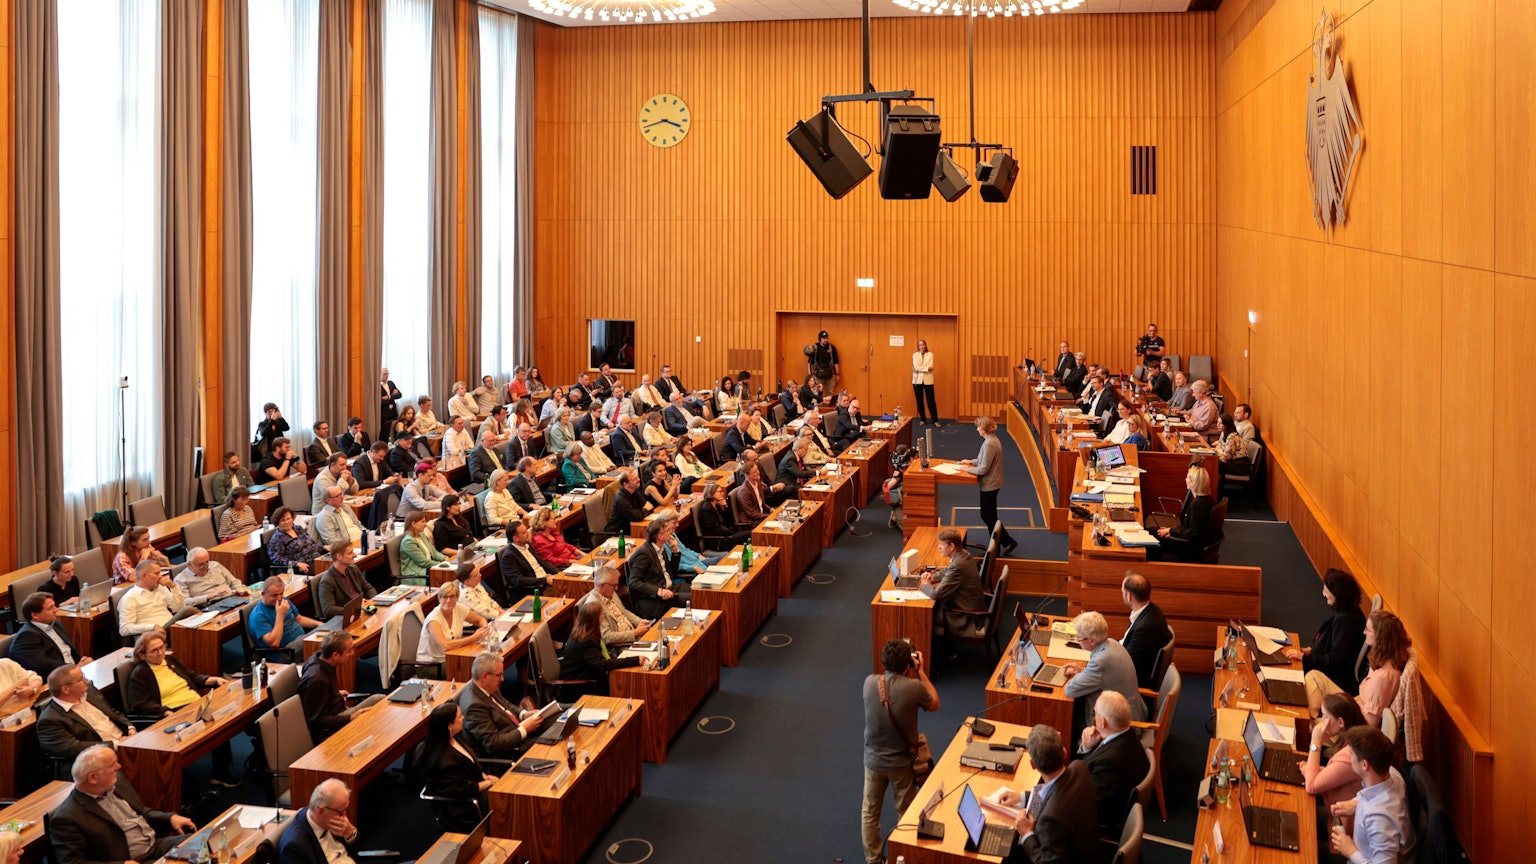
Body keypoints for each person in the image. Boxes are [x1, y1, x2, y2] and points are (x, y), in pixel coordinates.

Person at [861, 639, 939, 864]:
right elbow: (934, 703)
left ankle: (874, 860)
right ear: (907, 665)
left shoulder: (868, 683)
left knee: (869, 813)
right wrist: (921, 671)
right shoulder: (913, 687)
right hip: (901, 764)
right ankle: (903, 858)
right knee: (905, 813)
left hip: (873, 760)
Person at [48, 745, 195, 864]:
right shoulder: (67, 818)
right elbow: (73, 862)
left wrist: (169, 818)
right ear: (93, 777)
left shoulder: (116, 783)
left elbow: (141, 811)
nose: (119, 766)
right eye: (112, 765)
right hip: (130, 860)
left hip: (155, 847)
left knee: (202, 844)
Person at [123, 632, 237, 785]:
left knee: (224, 716)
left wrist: (212, 679)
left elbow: (190, 676)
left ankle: (222, 766)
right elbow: (139, 703)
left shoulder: (169, 660)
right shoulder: (140, 674)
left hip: (195, 704)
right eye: (154, 650)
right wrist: (164, 711)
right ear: (142, 655)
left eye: (162, 647)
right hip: (174, 711)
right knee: (214, 723)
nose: (161, 653)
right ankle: (221, 773)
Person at [995, 726, 1099, 864]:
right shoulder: (1080, 768)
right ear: (1064, 752)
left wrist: (1026, 834)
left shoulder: (1050, 819)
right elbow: (1058, 789)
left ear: (1033, 765)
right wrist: (1022, 797)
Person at [1305, 610, 1410, 727]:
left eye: (1368, 630)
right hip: (1353, 709)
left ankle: (1312, 724)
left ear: (1380, 637)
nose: (1364, 632)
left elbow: (1370, 723)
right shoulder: (1381, 659)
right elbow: (1363, 697)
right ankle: (1313, 718)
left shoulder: (1383, 677)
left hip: (1354, 726)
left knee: (1315, 726)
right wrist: (1342, 705)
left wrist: (1339, 714)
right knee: (1314, 676)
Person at [1329, 728, 1416, 864]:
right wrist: (1357, 803)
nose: (1348, 758)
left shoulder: (1379, 821)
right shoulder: (1392, 773)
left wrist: (1350, 850)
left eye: (1350, 754)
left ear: (1364, 765)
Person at [1284, 568, 1368, 695]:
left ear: (1337, 594)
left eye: (1326, 591)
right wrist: (1310, 651)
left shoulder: (1346, 621)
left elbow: (1335, 660)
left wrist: (1305, 658)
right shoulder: (1348, 612)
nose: (1323, 594)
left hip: (1336, 679)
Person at [416, 703, 497, 831]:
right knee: (502, 801)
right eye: (459, 717)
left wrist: (484, 776)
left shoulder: (456, 737)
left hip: (474, 786)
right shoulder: (445, 760)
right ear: (449, 726)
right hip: (463, 806)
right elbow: (464, 789)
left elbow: (471, 763)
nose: (463, 718)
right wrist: (489, 782)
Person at [1077, 692, 1150, 833]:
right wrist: (1087, 747)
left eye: (1095, 713)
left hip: (1096, 825)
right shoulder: (1129, 737)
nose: (1093, 717)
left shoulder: (1110, 762)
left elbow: (1089, 804)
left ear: (1102, 722)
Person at [1061, 611, 1147, 723]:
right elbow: (1105, 675)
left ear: (1092, 641)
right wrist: (1082, 671)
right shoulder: (1112, 643)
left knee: (1068, 716)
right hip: (1132, 708)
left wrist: (1076, 677)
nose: (1078, 640)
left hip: (1120, 721)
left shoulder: (1100, 661)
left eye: (1079, 637)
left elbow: (1070, 690)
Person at [299, 632, 383, 743]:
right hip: (332, 725)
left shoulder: (317, 658)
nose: (353, 653)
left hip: (336, 707)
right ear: (335, 655)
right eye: (349, 651)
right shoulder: (317, 680)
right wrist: (350, 718)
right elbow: (317, 721)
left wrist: (334, 693)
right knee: (378, 699)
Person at [37, 665, 135, 760]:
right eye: (81, 679)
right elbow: (74, 748)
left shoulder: (89, 691)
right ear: (66, 689)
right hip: (99, 759)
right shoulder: (49, 720)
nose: (86, 680)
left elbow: (113, 713)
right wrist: (115, 745)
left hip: (127, 743)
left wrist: (129, 727)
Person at [458, 652, 543, 759]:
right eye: (499, 675)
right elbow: (493, 743)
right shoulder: (474, 706)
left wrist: (524, 714)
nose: (502, 679)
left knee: (557, 719)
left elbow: (506, 705)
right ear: (484, 676)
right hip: (510, 751)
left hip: (515, 731)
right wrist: (524, 729)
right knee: (551, 742)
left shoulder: (487, 686)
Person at [558, 602, 648, 698]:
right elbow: (603, 664)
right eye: (601, 614)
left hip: (588, 678)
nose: (603, 616)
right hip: (578, 688)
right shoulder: (587, 641)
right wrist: (635, 660)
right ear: (595, 619)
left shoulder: (581, 630)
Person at [960, 415, 1018, 555]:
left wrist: (966, 469)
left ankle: (998, 547)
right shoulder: (991, 440)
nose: (977, 430)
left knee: (989, 516)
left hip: (990, 484)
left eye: (978, 427)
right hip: (992, 483)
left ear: (984, 429)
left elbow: (983, 468)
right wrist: (970, 461)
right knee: (988, 515)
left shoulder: (989, 444)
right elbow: (982, 460)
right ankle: (1006, 542)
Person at [1301, 692, 1369, 810]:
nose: (1322, 721)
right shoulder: (1353, 739)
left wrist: (1315, 742)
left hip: (1338, 820)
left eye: (1326, 717)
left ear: (1341, 722)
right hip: (1332, 800)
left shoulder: (1350, 755)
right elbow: (1336, 772)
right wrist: (1312, 770)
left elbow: (1311, 786)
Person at [918, 528, 986, 638]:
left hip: (965, 615)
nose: (938, 547)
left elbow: (936, 594)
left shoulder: (958, 566)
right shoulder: (964, 554)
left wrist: (924, 584)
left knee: (925, 618)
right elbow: (948, 570)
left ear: (952, 546)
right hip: (971, 605)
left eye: (941, 544)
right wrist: (932, 577)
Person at [278, 779, 359, 864]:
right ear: (320, 811)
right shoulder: (295, 847)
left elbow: (356, 851)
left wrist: (350, 834)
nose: (344, 816)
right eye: (341, 812)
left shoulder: (329, 817)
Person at [9, 592, 87, 677]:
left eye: (54, 606)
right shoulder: (27, 636)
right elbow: (43, 666)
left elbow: (71, 651)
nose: (56, 610)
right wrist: (75, 669)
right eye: (50, 608)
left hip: (75, 671)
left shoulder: (57, 625)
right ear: (35, 615)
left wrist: (82, 660)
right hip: (56, 679)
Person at [1147, 465, 1215, 562]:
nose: (1185, 479)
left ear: (1193, 483)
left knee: (1150, 534)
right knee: (1153, 531)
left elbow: (1192, 533)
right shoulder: (1208, 500)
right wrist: (1170, 531)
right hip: (1192, 542)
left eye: (1187, 477)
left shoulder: (1197, 506)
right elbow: (1191, 529)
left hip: (1188, 548)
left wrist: (1170, 532)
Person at [627, 516, 691, 618]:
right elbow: (633, 583)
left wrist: (675, 552)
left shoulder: (661, 548)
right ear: (660, 536)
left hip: (671, 587)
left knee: (700, 592)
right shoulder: (644, 554)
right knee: (695, 599)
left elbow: (672, 573)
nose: (671, 532)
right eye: (667, 531)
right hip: (656, 599)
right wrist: (659, 591)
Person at [1119, 571, 1171, 689]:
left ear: (1129, 596)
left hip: (1131, 683)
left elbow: (1124, 663)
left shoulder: (1145, 627)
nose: (1121, 594)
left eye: (1122, 591)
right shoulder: (1152, 610)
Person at [250, 575, 323, 658]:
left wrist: (319, 624)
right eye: (274, 595)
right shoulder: (258, 616)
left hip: (300, 640)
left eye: (281, 593)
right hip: (285, 652)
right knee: (325, 644)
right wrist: (280, 614)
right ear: (263, 594)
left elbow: (299, 619)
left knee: (329, 636)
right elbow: (274, 643)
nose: (279, 598)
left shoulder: (284, 600)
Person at [418, 581, 488, 666]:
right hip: (433, 665)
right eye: (445, 597)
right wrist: (473, 638)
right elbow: (445, 646)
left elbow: (480, 620)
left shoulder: (459, 608)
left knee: (484, 661)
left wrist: (484, 629)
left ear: (457, 597)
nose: (448, 601)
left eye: (452, 597)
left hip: (454, 655)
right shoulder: (433, 619)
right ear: (439, 598)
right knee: (476, 666)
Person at [118, 561, 192, 637]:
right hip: (154, 636)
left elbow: (178, 609)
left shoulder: (160, 588)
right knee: (188, 610)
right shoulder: (130, 598)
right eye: (156, 573)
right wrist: (153, 627)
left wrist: (173, 587)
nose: (161, 576)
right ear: (144, 576)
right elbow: (124, 629)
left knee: (191, 617)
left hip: (172, 628)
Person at [580, 566, 649, 646]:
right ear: (602, 585)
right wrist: (634, 633)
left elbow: (624, 612)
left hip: (635, 637)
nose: (616, 588)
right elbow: (606, 637)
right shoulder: (594, 605)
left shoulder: (610, 593)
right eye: (614, 585)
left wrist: (640, 622)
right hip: (620, 647)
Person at [174, 547, 248, 607]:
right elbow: (184, 602)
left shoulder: (215, 565)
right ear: (189, 564)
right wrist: (207, 597)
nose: (205, 566)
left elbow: (234, 581)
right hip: (210, 606)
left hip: (232, 597)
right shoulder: (181, 579)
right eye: (201, 564)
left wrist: (240, 591)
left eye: (207, 562)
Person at [267, 507, 327, 575]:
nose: (287, 522)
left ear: (292, 518)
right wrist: (296, 564)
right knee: (325, 572)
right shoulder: (277, 538)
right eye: (283, 520)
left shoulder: (298, 528)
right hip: (302, 565)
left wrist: (323, 547)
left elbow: (311, 544)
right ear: (277, 522)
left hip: (316, 558)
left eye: (288, 519)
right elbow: (276, 558)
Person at [316, 543, 370, 618]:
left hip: (364, 610)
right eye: (350, 553)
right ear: (339, 556)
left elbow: (367, 587)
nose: (355, 555)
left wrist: (373, 601)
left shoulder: (353, 569)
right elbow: (328, 610)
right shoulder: (327, 581)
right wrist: (356, 608)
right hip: (348, 617)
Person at [497, 519, 552, 592]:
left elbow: (542, 562)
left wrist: (559, 573)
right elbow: (518, 580)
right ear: (516, 538)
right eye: (524, 532)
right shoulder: (509, 557)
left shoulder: (527, 545)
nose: (528, 533)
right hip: (537, 589)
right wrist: (545, 580)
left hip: (547, 579)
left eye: (526, 530)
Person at [400, 511, 453, 582]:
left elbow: (434, 552)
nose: (425, 524)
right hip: (418, 573)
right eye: (423, 522)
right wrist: (442, 564)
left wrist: (445, 559)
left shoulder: (422, 535)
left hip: (429, 566)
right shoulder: (408, 542)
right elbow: (423, 563)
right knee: (448, 574)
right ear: (414, 524)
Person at [697, 481, 750, 551]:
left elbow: (730, 522)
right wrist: (733, 534)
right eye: (720, 491)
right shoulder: (706, 509)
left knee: (748, 534)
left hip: (726, 536)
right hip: (717, 541)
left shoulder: (717, 505)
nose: (723, 493)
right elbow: (715, 530)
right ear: (712, 494)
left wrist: (726, 507)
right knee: (749, 534)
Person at [909, 337, 939, 425]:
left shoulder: (930, 354)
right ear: (918, 346)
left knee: (931, 401)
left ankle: (935, 420)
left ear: (925, 346)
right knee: (919, 401)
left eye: (923, 344)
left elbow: (930, 366)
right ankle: (923, 419)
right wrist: (926, 368)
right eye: (920, 345)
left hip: (928, 380)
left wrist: (918, 369)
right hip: (917, 381)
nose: (922, 346)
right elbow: (916, 366)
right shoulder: (915, 355)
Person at [1214, 412, 1250, 477]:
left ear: (1227, 424)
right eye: (1217, 422)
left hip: (1240, 465)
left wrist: (1218, 451)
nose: (1217, 425)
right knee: (1213, 462)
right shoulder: (1223, 433)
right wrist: (1219, 451)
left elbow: (1226, 457)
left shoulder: (1232, 436)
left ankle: (1215, 486)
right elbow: (1218, 446)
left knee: (1214, 464)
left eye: (1221, 423)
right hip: (1232, 462)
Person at [379, 368, 403, 438]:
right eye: (384, 374)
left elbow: (399, 395)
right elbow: (380, 401)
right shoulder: (377, 386)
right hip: (384, 413)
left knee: (395, 429)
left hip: (393, 412)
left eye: (387, 374)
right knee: (385, 432)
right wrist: (392, 396)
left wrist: (388, 396)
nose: (386, 376)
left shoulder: (391, 383)